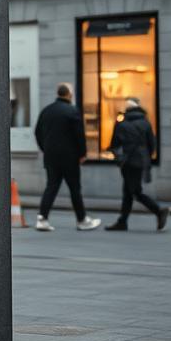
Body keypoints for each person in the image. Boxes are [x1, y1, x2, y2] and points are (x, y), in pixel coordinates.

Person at [33, 83, 101, 231]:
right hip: (70, 157)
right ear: (69, 94)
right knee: (75, 188)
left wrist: (46, 149)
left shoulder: (46, 111)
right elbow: (79, 136)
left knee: (51, 187)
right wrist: (82, 154)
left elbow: (37, 132)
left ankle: (42, 219)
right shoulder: (72, 111)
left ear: (58, 93)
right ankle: (82, 220)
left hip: (51, 157)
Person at [106, 98, 171, 232]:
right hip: (141, 161)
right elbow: (152, 144)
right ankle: (122, 221)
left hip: (128, 162)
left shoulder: (121, 124)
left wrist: (119, 159)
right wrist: (146, 157)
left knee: (135, 192)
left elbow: (114, 145)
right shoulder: (146, 123)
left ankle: (159, 211)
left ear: (127, 110)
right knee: (128, 192)